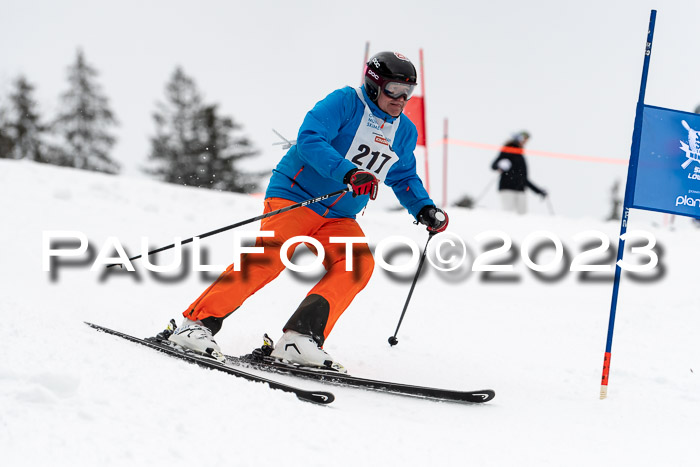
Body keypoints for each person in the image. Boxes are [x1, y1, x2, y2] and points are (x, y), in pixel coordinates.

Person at [167, 51, 448, 373]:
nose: (401, 99)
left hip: (340, 216)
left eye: (407, 93)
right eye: (393, 90)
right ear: (373, 85)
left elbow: (403, 174)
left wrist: (424, 207)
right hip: (297, 196)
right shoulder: (345, 102)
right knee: (271, 254)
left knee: (357, 265)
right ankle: (195, 325)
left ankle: (300, 339)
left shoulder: (405, 131)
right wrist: (347, 172)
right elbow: (311, 139)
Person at [491, 131, 547, 214]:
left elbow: (523, 178)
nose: (525, 141)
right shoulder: (507, 150)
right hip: (507, 188)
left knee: (522, 216)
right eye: (524, 138)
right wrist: (500, 165)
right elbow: (493, 166)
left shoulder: (521, 156)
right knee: (508, 214)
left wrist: (538, 191)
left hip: (520, 189)